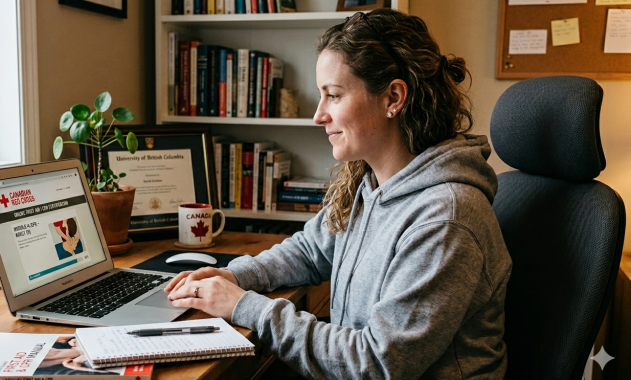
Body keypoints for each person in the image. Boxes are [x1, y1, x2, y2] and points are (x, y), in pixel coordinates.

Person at [166, 8, 512, 379]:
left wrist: (244, 307)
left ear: (393, 97)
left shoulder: (446, 218)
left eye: (333, 95)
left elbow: (376, 364)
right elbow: (310, 250)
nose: (318, 115)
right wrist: (234, 277)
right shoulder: (370, 181)